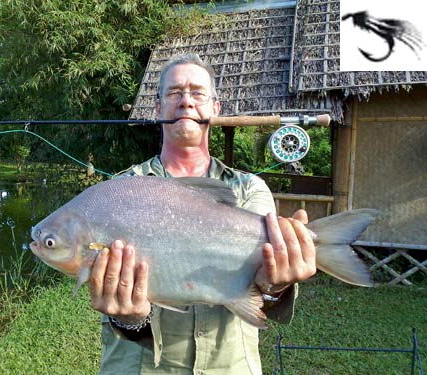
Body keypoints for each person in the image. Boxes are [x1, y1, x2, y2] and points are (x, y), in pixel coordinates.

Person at [89, 54, 317, 374]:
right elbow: (116, 303)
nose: (185, 101)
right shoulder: (124, 191)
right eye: (173, 93)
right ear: (157, 109)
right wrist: (128, 317)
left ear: (215, 108)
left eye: (197, 93)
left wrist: (274, 285)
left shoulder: (249, 189)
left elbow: (266, 290)